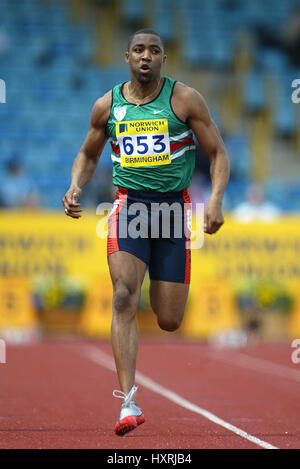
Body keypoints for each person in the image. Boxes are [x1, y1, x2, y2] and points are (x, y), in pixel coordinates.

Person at [62, 29, 230, 436]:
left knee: (170, 318)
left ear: (163, 60)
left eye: (154, 50)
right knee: (123, 296)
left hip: (173, 211)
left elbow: (218, 153)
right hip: (129, 207)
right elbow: (88, 153)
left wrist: (215, 202)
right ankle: (128, 402)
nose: (146, 56)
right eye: (139, 49)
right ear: (127, 57)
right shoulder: (108, 105)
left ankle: (161, 299)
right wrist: (75, 185)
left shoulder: (184, 99)